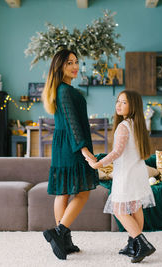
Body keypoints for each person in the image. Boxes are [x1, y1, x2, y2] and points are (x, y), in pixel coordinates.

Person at [41, 48, 99, 260]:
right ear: (59, 67)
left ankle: (64, 241)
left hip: (64, 145)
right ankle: (59, 232)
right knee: (82, 192)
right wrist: (84, 151)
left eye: (76, 62)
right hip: (72, 147)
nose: (75, 67)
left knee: (63, 192)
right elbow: (73, 123)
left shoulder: (60, 89)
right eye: (69, 63)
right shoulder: (64, 91)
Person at [87, 90, 156, 263]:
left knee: (119, 209)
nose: (118, 105)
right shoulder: (136, 125)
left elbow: (117, 152)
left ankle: (142, 244)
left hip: (126, 174)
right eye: (118, 101)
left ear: (133, 106)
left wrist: (98, 164)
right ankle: (133, 244)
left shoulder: (123, 126)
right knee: (135, 207)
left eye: (124, 102)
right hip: (137, 172)